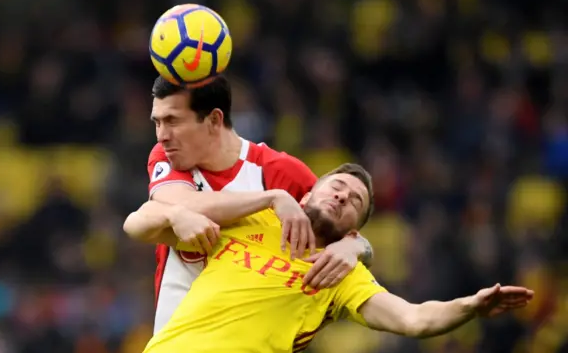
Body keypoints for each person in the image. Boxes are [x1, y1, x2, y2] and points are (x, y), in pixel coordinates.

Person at [125, 163, 534, 353]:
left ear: (354, 230)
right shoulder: (251, 219)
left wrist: (471, 306)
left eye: (354, 200)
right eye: (336, 186)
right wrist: (178, 215)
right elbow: (137, 225)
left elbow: (414, 319)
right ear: (305, 195)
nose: (342, 195)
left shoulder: (341, 274)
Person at [131, 76, 374, 333]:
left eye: (173, 121)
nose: (162, 136)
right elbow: (183, 204)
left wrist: (355, 247)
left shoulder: (280, 171)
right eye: (157, 122)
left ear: (214, 120)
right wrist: (272, 198)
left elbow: (339, 218)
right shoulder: (169, 156)